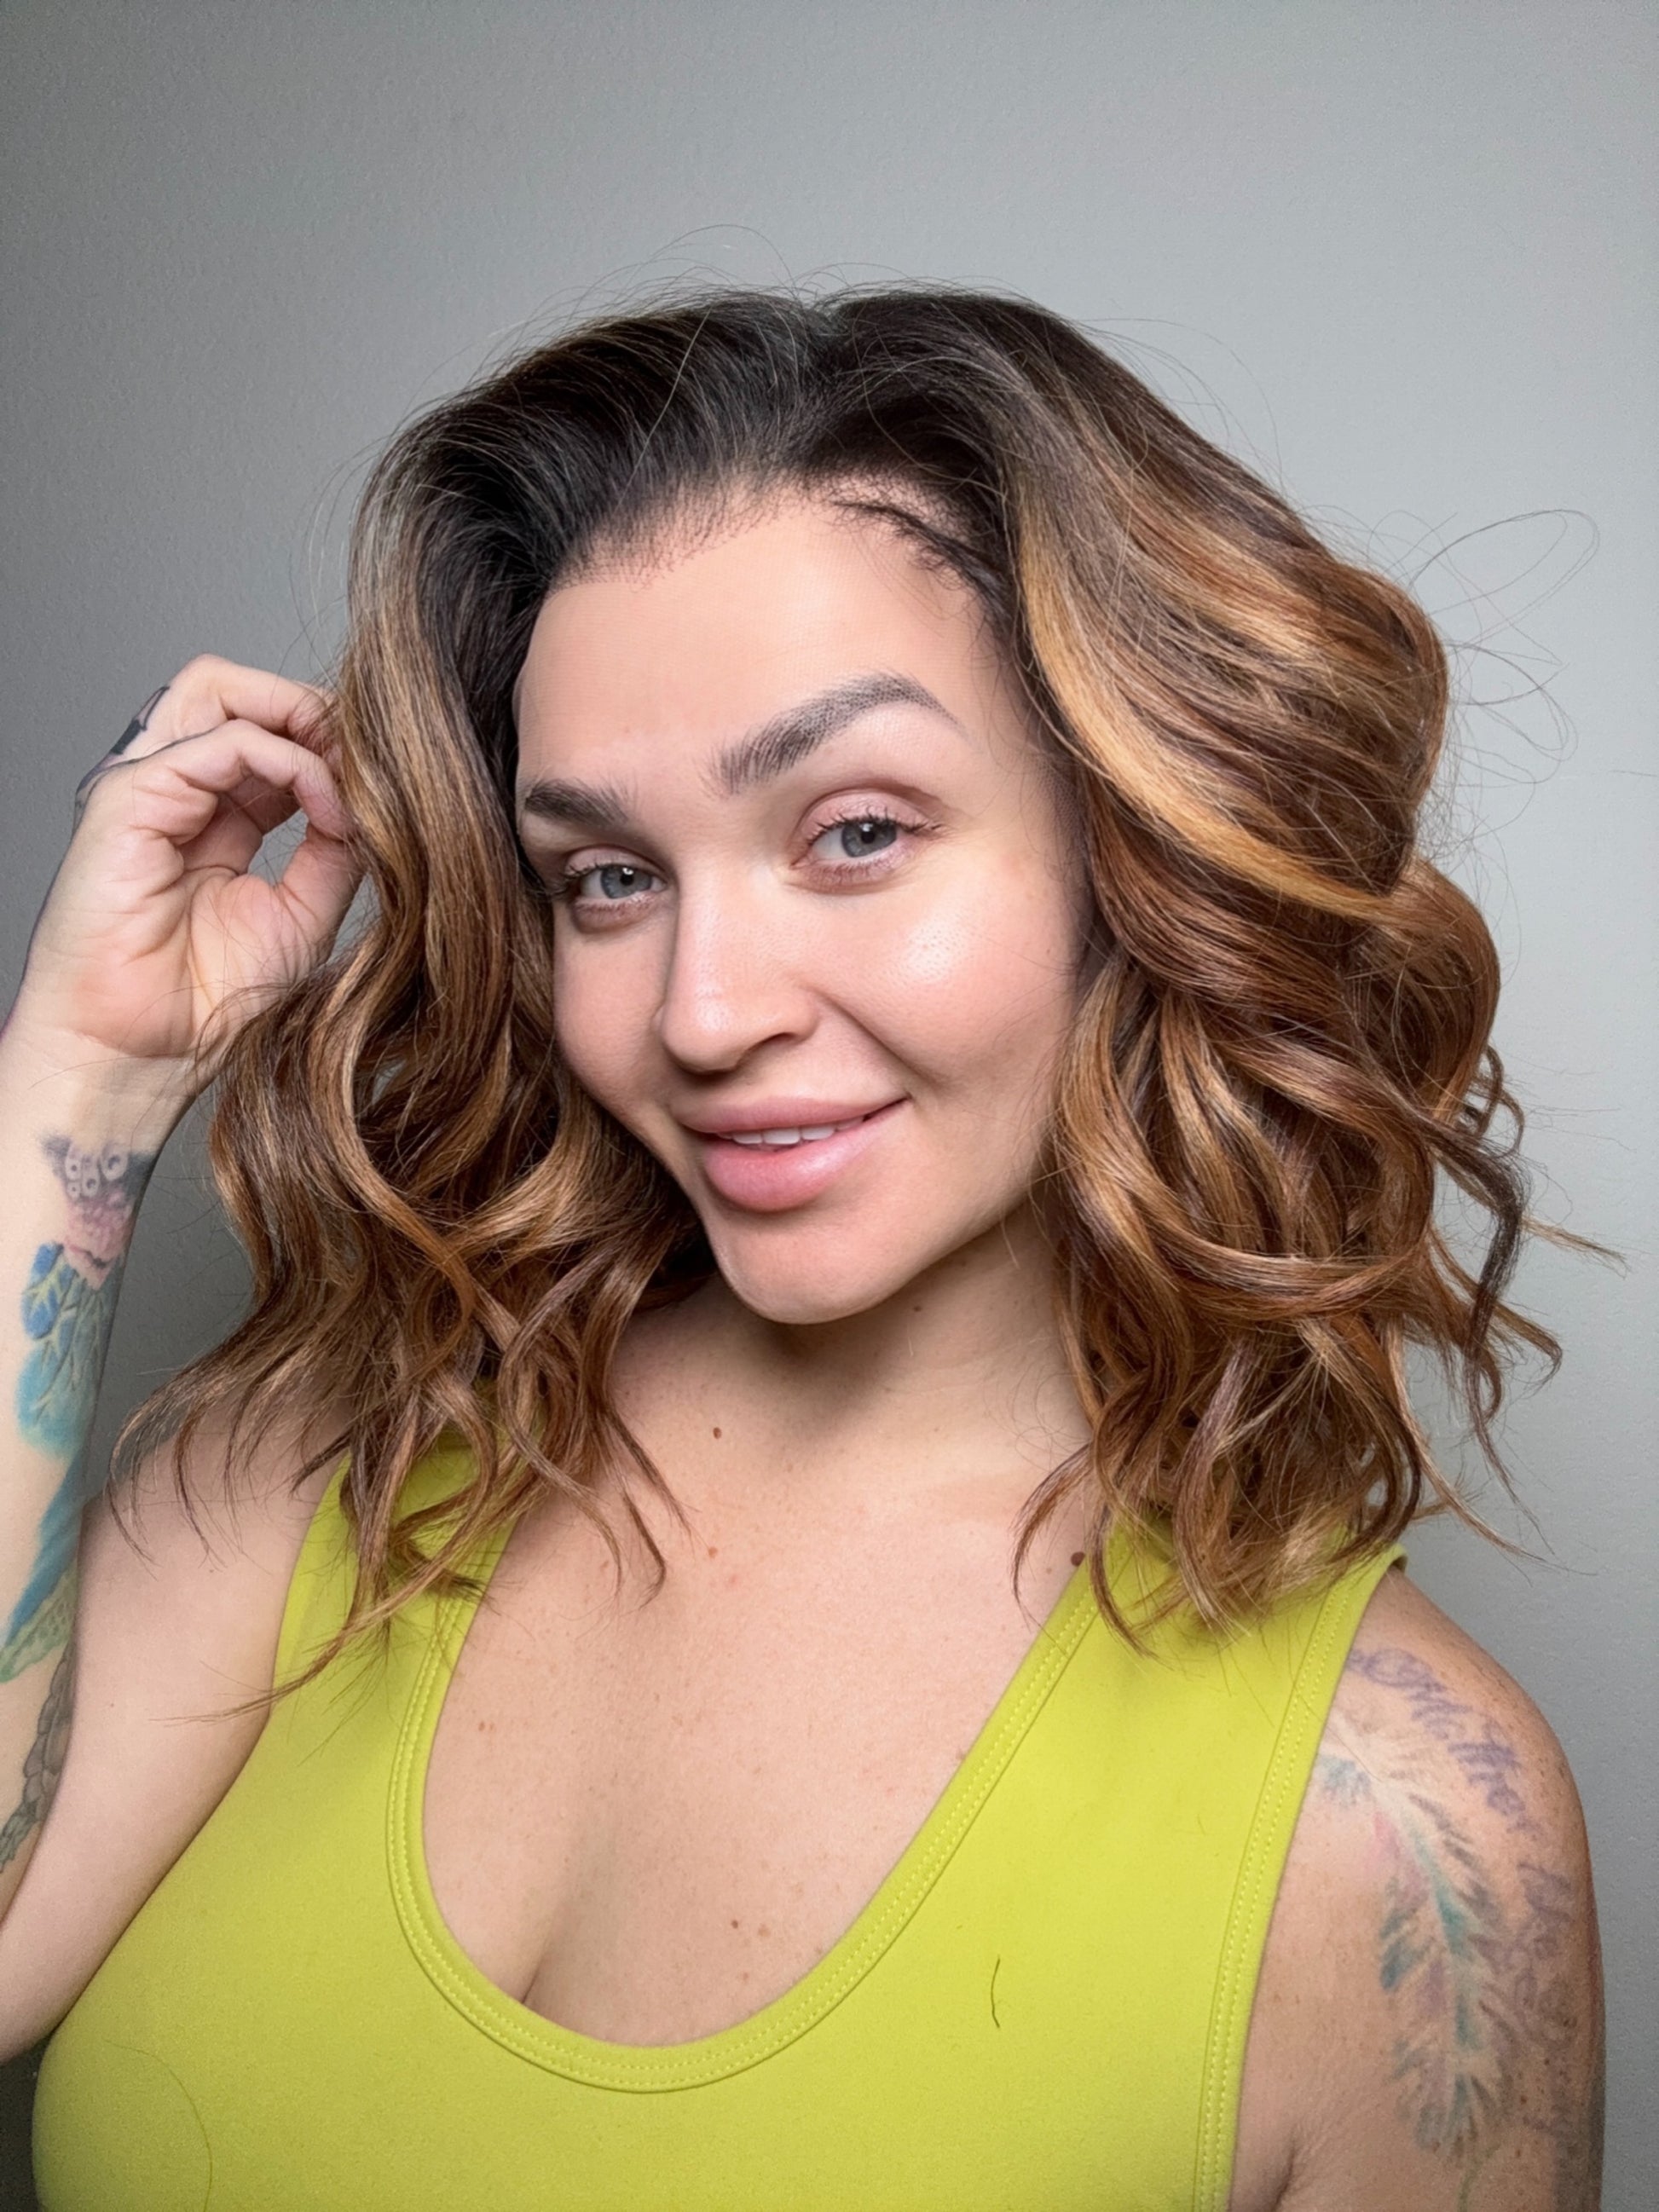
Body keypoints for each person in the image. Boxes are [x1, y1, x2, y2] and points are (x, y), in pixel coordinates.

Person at [0, 284, 1604, 2209]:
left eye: (852, 833)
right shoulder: (324, 1460)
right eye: (608, 875)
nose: (702, 1010)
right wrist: (86, 1077)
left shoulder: (1410, 1840)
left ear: (1136, 846)